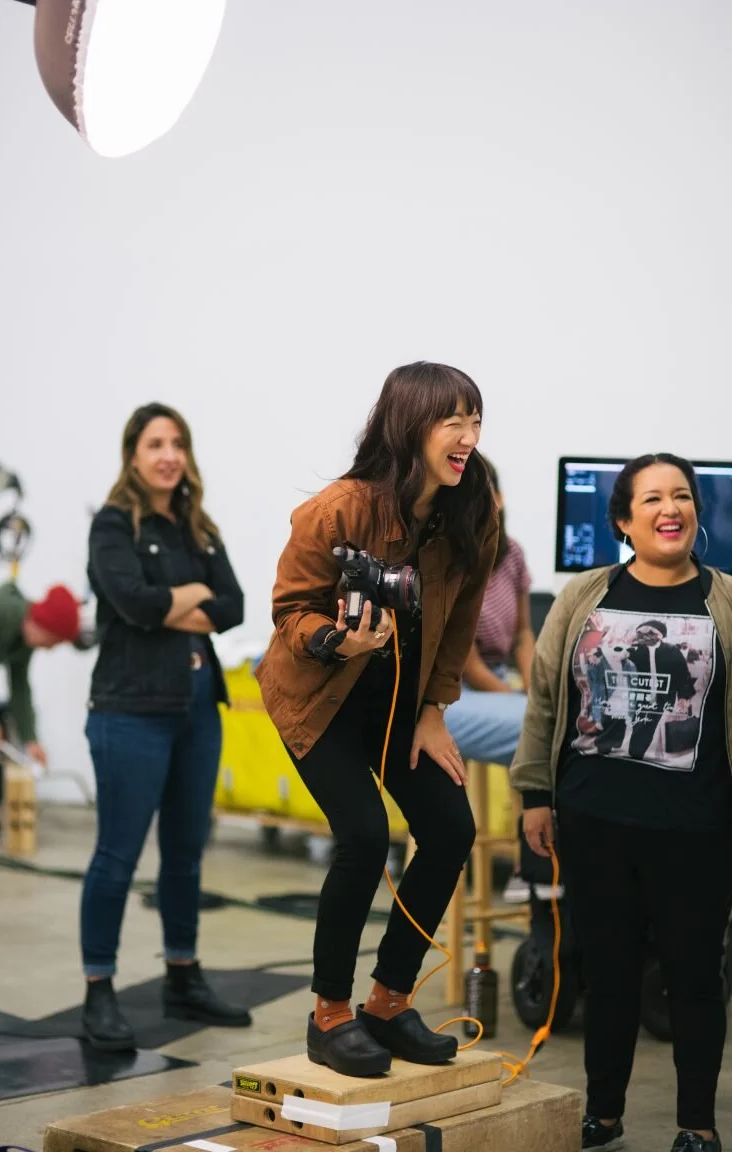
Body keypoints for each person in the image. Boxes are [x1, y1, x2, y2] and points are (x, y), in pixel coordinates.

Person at [256, 362, 498, 1077]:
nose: (468, 435)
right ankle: (328, 1015)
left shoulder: (472, 508)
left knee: (452, 828)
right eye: (452, 419)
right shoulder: (340, 509)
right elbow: (289, 611)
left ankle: (387, 1003)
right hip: (321, 698)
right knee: (362, 834)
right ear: (409, 424)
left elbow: (457, 629)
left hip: (400, 706)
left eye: (476, 418)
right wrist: (337, 641)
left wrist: (434, 713)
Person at [511, 453, 732, 1152]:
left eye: (683, 497)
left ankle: (696, 1123)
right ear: (623, 520)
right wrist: (535, 796)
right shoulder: (583, 596)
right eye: (654, 499)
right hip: (594, 821)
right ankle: (603, 1114)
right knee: (605, 977)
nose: (672, 509)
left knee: (696, 978)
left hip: (696, 827)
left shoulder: (724, 599)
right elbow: (546, 699)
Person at [80, 402, 248, 1051]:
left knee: (185, 854)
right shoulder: (112, 525)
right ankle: (99, 989)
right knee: (117, 857)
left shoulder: (197, 527)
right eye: (155, 443)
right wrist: (189, 596)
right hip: (130, 712)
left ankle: (183, 974)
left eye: (177, 442)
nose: (168, 455)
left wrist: (170, 603)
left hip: (199, 707)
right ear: (133, 454)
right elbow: (133, 603)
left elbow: (232, 606)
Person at [443, 458, 535, 902]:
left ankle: (539, 859)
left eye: (490, 493)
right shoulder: (452, 560)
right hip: (456, 689)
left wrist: (538, 690)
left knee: (551, 717)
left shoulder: (512, 552)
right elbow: (466, 662)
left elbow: (523, 635)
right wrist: (521, 700)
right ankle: (533, 865)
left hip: (501, 679)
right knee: (539, 730)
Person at [0, 581, 80, 836]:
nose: (50, 649)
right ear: (39, 624)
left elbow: (19, 688)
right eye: (53, 641)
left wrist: (31, 739)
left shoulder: (23, 639)